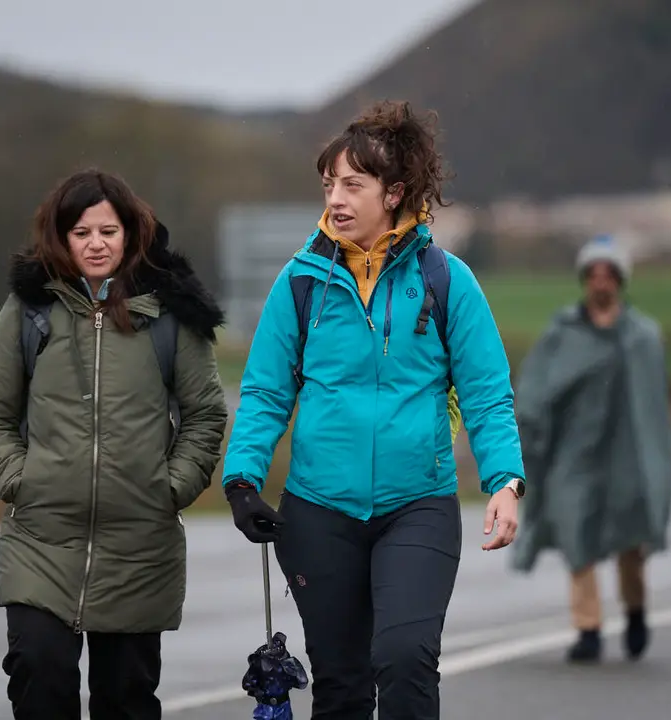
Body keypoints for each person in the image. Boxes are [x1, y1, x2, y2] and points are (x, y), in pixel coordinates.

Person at [219, 100, 525, 720]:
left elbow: (488, 390)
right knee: (341, 685)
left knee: (406, 657)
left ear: (395, 193)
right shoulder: (300, 284)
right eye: (330, 183)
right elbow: (265, 391)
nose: (336, 197)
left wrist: (504, 481)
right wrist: (242, 480)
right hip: (318, 512)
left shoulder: (446, 280)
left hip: (419, 506)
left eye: (353, 185)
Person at [0, 169, 228, 720]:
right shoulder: (28, 311)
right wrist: (20, 479)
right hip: (41, 541)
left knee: (126, 701)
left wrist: (170, 488)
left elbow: (206, 415)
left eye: (108, 231)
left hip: (139, 546)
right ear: (62, 237)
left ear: (130, 235)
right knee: (39, 680)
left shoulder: (170, 315)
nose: (95, 244)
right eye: (82, 232)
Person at [510, 235, 671, 664]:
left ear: (619, 280)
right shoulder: (562, 334)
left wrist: (658, 464)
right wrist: (527, 433)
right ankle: (588, 629)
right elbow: (533, 390)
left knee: (629, 542)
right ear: (585, 280)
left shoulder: (643, 338)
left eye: (609, 274)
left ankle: (635, 610)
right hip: (575, 454)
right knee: (574, 533)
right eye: (594, 274)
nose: (601, 282)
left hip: (627, 455)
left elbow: (654, 408)